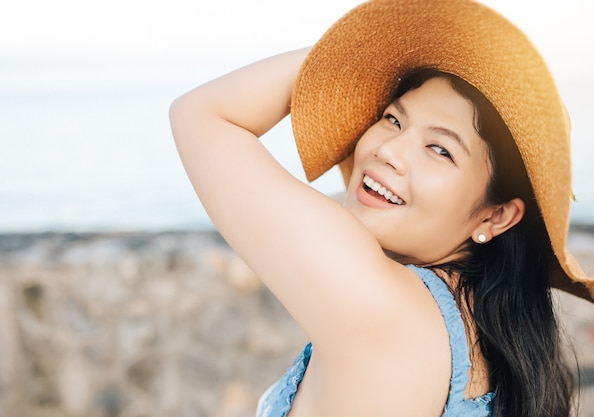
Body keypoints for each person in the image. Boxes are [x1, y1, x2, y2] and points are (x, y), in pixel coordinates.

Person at [170, 0, 594, 416]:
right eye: (393, 119)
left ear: (496, 215)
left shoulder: (385, 307)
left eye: (439, 149)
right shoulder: (498, 333)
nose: (389, 150)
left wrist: (353, 56)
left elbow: (201, 115)